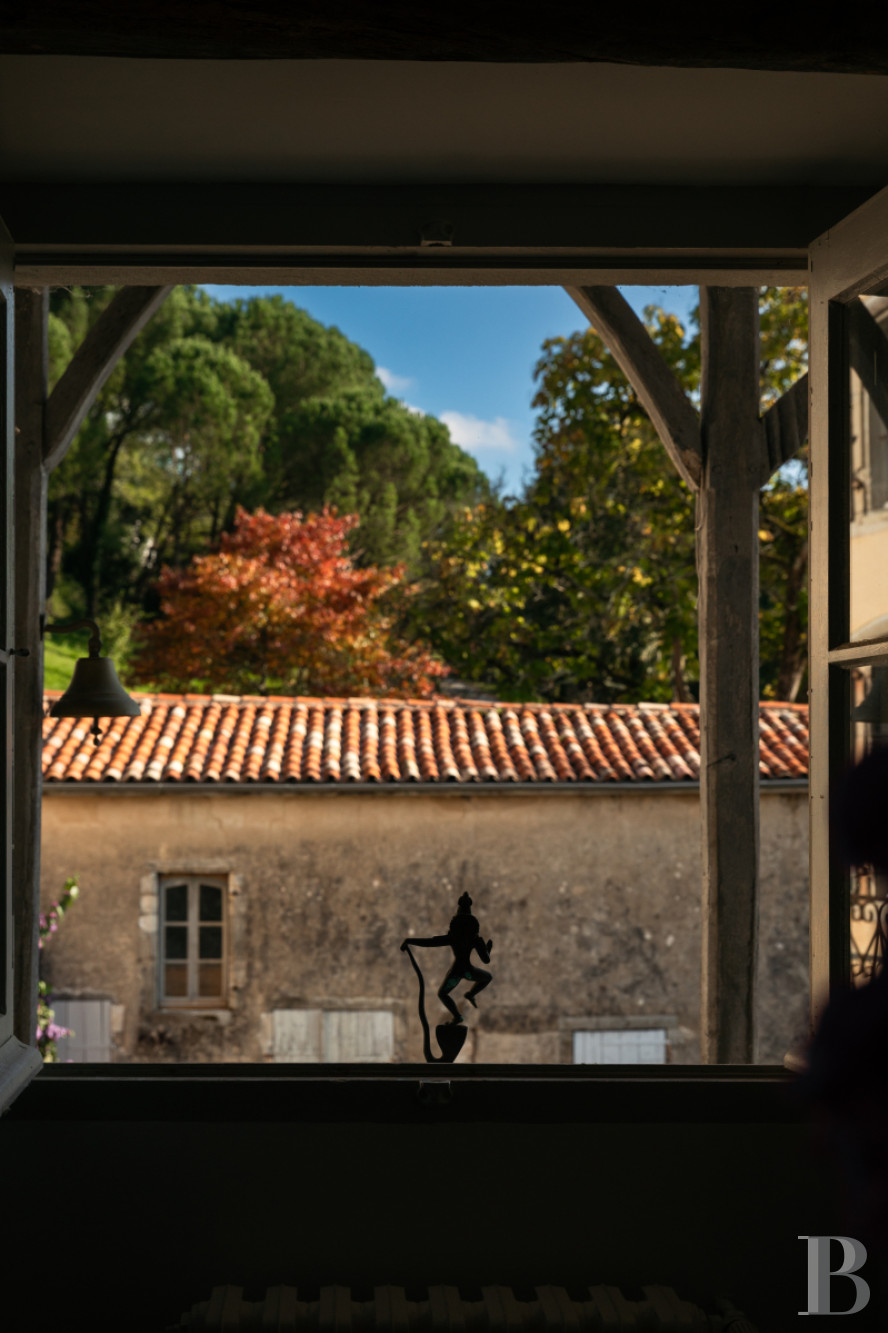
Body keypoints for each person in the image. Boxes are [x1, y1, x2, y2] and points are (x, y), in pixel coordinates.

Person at [401, 892, 493, 1024]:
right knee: (487, 978)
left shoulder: (452, 938)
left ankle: (457, 1015)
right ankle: (471, 994)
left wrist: (410, 941)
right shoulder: (475, 939)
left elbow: (430, 942)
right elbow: (486, 960)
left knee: (442, 994)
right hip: (468, 970)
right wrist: (488, 949)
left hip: (456, 971)